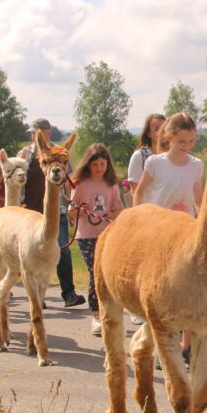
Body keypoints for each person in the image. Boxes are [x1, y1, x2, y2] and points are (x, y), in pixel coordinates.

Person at [133, 112, 205, 361]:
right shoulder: (155, 163)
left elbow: (198, 198)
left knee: (185, 287)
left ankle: (186, 346)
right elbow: (140, 193)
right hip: (158, 231)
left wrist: (205, 221)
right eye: (181, 142)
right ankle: (160, 341)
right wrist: (139, 219)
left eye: (191, 141)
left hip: (184, 231)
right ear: (169, 138)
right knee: (161, 290)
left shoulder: (196, 165)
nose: (186, 147)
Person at [20, 117, 85, 307]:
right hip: (31, 211)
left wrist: (73, 204)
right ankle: (38, 295)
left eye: (35, 131)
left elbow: (69, 179)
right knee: (30, 254)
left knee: (62, 250)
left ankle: (68, 293)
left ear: (45, 132)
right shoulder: (26, 154)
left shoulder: (61, 153)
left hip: (57, 211)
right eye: (31, 133)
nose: (32, 135)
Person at [69, 143, 124, 335]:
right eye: (96, 165)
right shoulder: (80, 184)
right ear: (88, 165)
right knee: (95, 274)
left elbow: (118, 208)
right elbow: (72, 211)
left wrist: (111, 215)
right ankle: (96, 315)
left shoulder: (111, 184)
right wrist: (82, 212)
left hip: (108, 234)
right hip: (87, 236)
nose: (100, 168)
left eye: (103, 164)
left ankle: (110, 311)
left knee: (109, 274)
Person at [126, 113, 166, 197]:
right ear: (148, 133)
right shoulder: (139, 157)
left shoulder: (172, 156)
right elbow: (135, 192)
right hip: (149, 208)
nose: (161, 132)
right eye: (156, 129)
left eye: (164, 129)